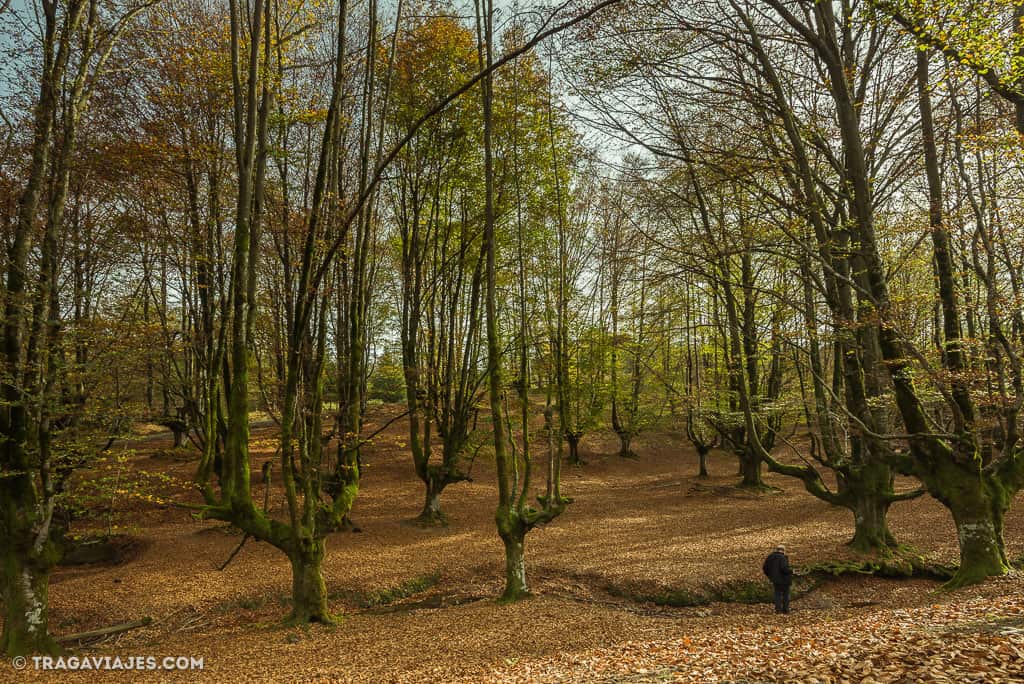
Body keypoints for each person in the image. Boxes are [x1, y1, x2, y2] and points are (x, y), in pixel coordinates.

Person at [762, 545, 792, 614]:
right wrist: (791, 571)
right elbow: (784, 569)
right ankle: (786, 609)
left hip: (775, 580)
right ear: (783, 550)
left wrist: (770, 576)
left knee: (777, 595)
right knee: (786, 595)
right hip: (784, 579)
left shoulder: (770, 557)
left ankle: (778, 610)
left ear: (777, 549)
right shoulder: (782, 557)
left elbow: (765, 568)